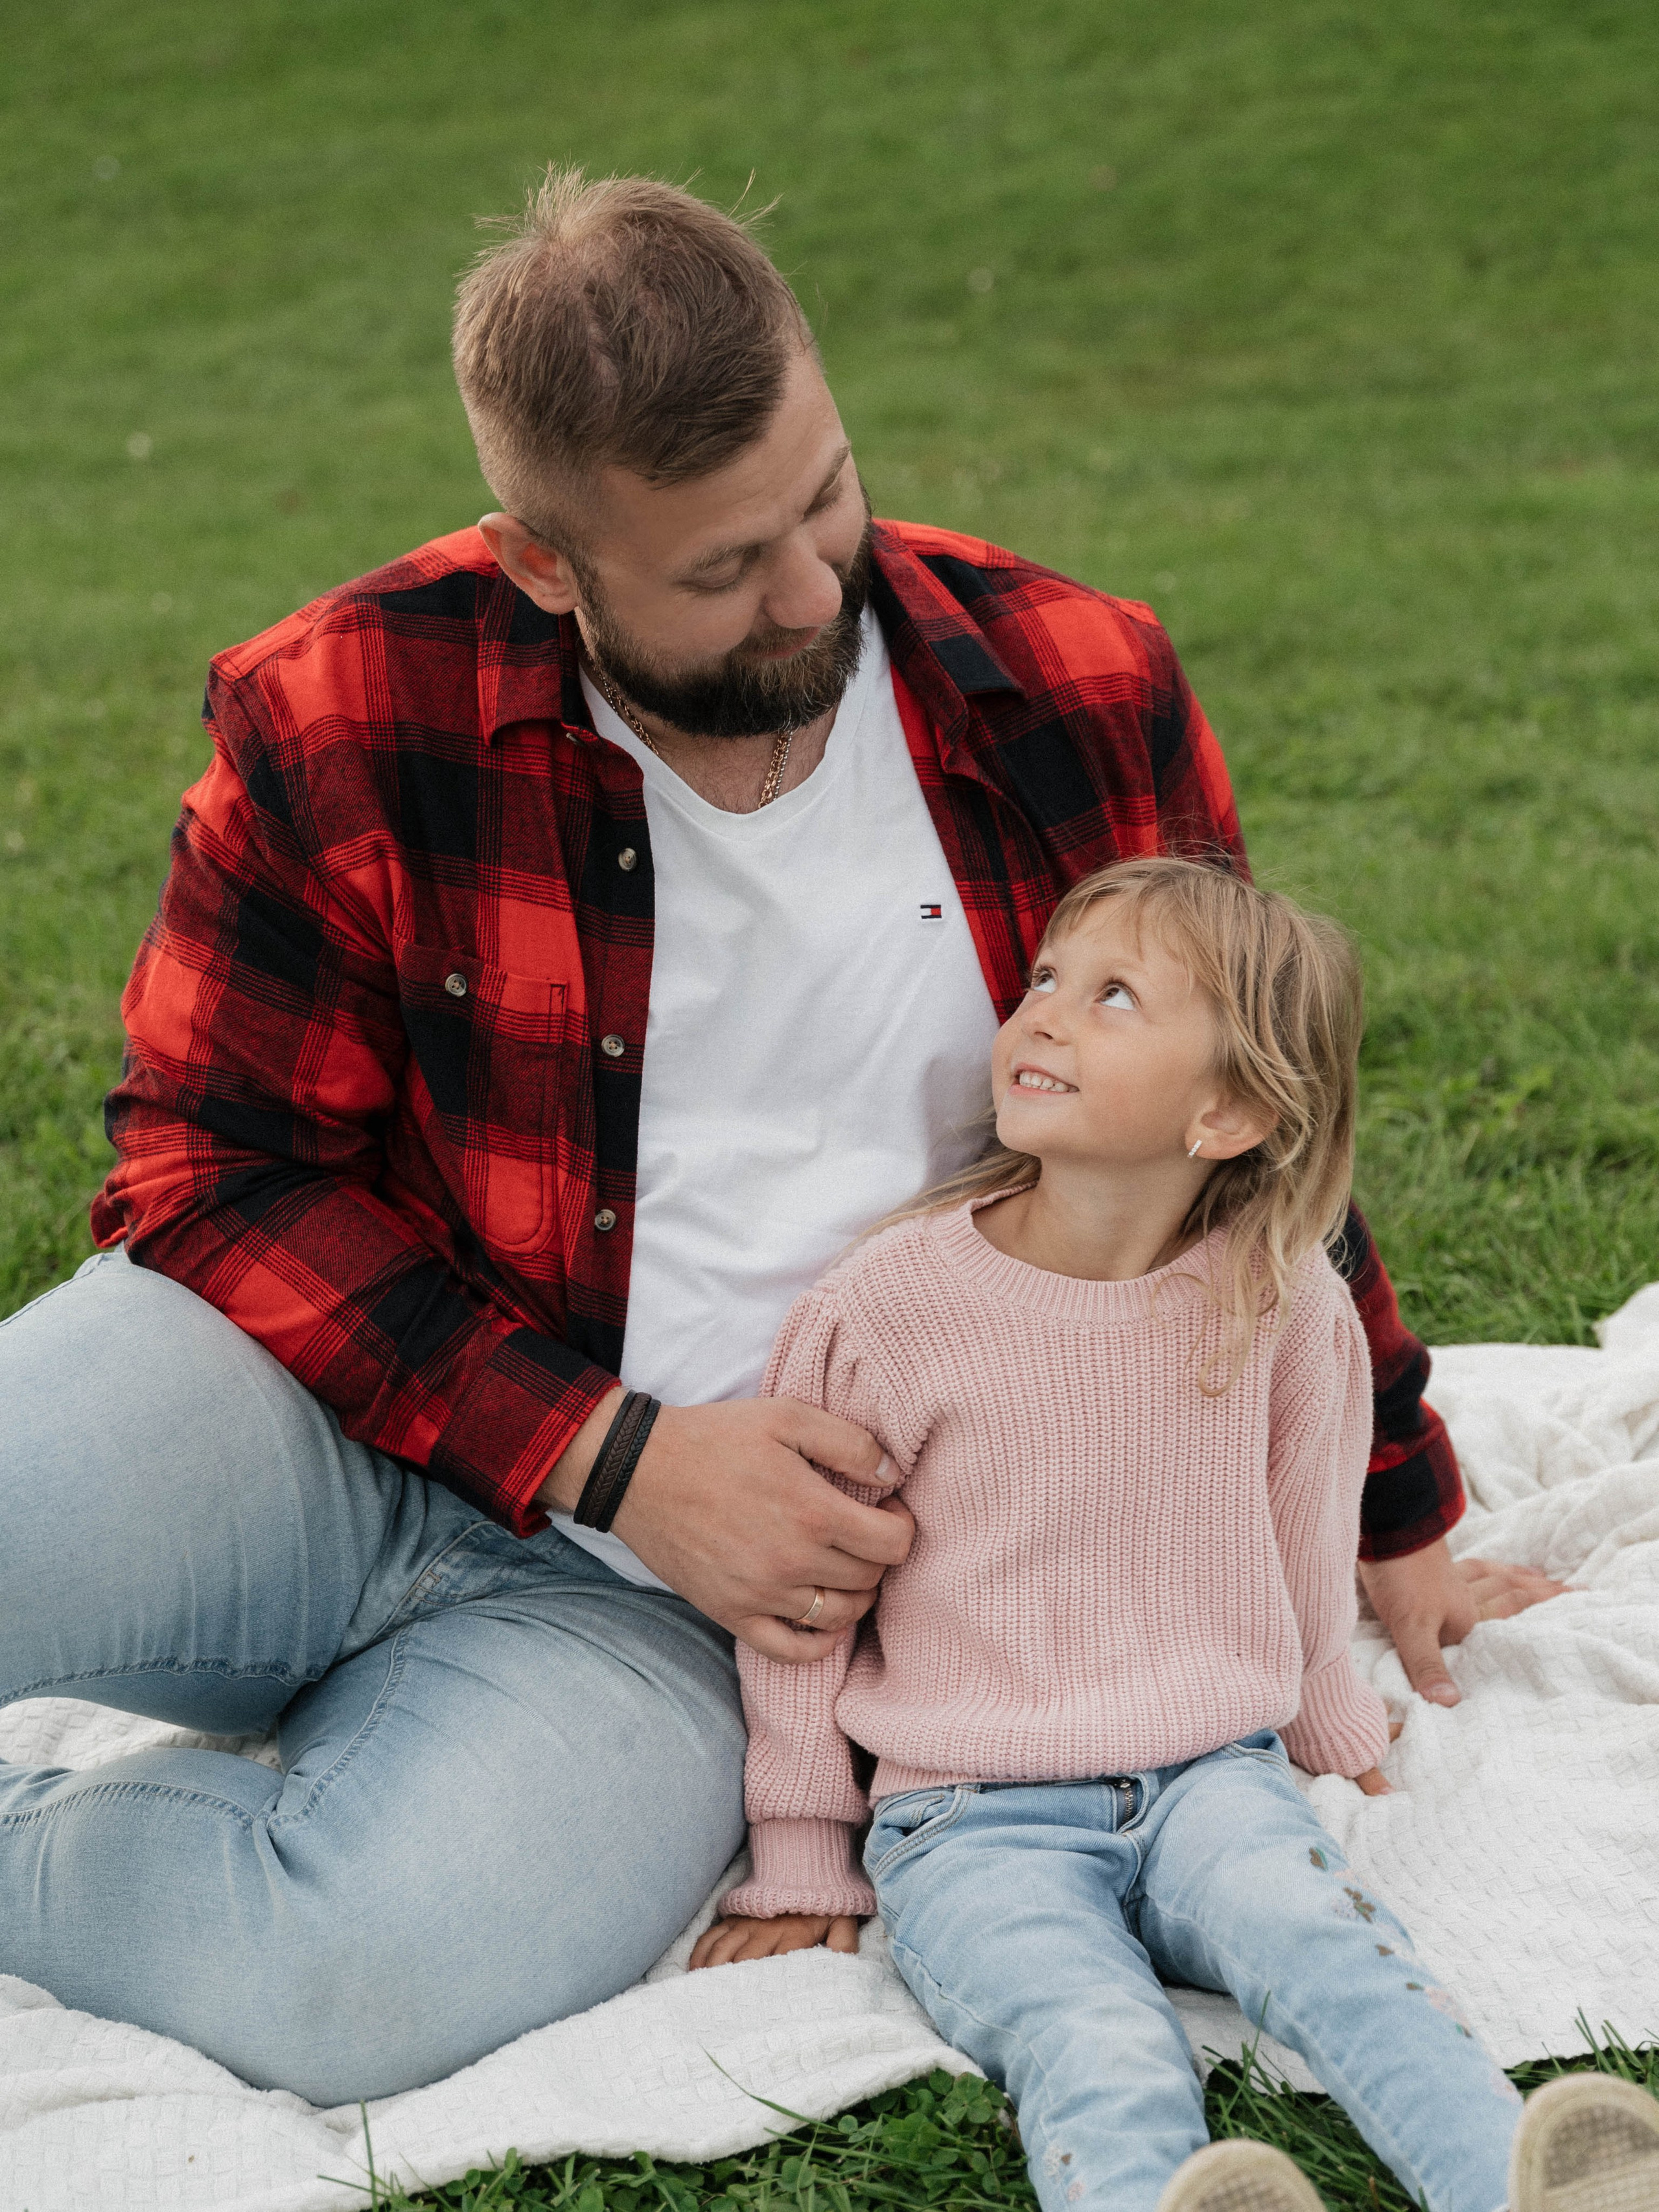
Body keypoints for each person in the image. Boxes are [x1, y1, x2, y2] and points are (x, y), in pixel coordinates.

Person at [0, 170, 1557, 2102]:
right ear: (546, 562)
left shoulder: (1071, 686)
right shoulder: (342, 705)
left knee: (351, 1983)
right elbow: (205, 1164)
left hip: (705, 1625)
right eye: (724, 568)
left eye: (827, 494)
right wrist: (607, 1448)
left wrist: (1396, 1503)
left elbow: (1248, 1136)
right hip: (327, 1422)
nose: (819, 589)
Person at [689, 857, 1659, 2212]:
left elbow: (1304, 1534)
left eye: (1113, 996)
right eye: (1042, 980)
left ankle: (1513, 2181)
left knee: (1335, 1951)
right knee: (1087, 2033)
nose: (1040, 1016)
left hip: (1213, 1776)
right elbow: (804, 1596)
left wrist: (1328, 1714)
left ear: (1227, 1112)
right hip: (971, 1818)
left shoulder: (1278, 1303)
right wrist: (800, 1838)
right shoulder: (892, 1308)